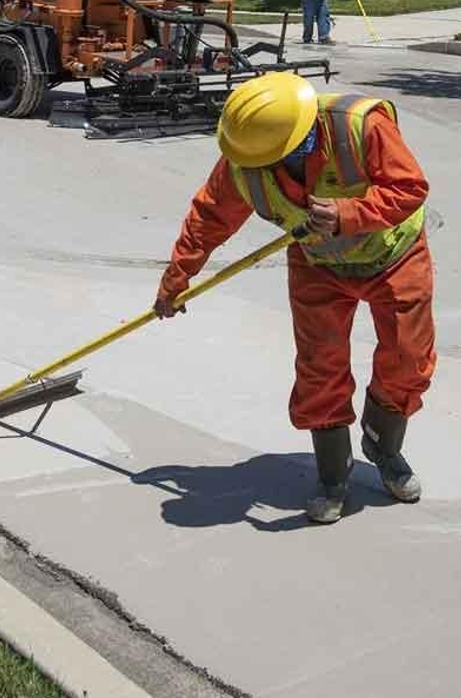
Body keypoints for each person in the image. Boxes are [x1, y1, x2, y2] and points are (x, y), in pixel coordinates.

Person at [152, 72, 435, 524]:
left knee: (407, 356)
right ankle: (332, 475)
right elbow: (210, 216)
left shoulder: (359, 126)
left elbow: (409, 188)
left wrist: (348, 212)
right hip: (317, 266)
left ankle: (383, 446)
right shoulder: (247, 155)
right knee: (320, 368)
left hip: (393, 256)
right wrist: (177, 277)